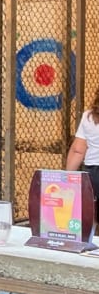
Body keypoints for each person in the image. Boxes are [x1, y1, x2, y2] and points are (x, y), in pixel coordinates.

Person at [66, 86, 99, 223]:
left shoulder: (89, 117)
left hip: (94, 172)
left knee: (93, 212)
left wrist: (67, 177)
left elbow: (78, 150)